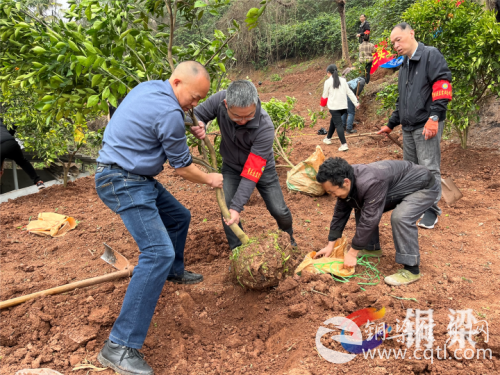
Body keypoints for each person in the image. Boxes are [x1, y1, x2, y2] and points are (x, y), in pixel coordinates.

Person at [95, 61, 223, 375]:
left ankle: (173, 272)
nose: (195, 104)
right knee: (157, 253)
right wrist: (209, 179)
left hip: (133, 176)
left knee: (179, 217)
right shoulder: (169, 112)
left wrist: (193, 127)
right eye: (194, 97)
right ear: (177, 82)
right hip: (124, 181)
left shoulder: (151, 88)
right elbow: (181, 168)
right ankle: (119, 346)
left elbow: (158, 131)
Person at [193, 80, 296, 250]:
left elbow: (252, 171)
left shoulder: (264, 126)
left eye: (248, 116)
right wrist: (199, 124)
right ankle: (239, 251)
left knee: (279, 210)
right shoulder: (219, 100)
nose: (242, 121)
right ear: (226, 105)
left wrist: (237, 206)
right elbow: (195, 114)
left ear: (255, 104)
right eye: (237, 116)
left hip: (262, 169)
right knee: (227, 212)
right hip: (231, 166)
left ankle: (288, 240)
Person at [314, 157, 439, 286]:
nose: (332, 195)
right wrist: (331, 244)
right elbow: (340, 212)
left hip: (422, 187)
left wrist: (352, 253)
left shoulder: (370, 182)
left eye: (332, 192)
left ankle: (412, 269)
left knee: (400, 217)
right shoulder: (348, 179)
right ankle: (371, 248)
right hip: (398, 187)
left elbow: (369, 219)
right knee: (361, 204)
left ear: (346, 182)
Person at [377, 22, 452, 230]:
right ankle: (416, 205)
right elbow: (403, 99)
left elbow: (443, 85)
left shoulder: (430, 55)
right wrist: (392, 124)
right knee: (411, 170)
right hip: (408, 127)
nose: (396, 45)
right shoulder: (405, 64)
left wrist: (434, 118)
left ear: (411, 34)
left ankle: (432, 211)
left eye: (398, 40)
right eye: (393, 43)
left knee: (428, 168)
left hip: (426, 124)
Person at [320, 64, 359, 151]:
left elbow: (324, 96)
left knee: (338, 124)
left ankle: (344, 144)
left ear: (328, 73)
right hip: (343, 107)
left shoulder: (328, 82)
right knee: (333, 121)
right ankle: (328, 138)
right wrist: (356, 103)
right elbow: (349, 92)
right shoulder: (343, 80)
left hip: (334, 107)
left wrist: (322, 106)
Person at [0, 117, 45, 189]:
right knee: (22, 162)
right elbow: (14, 125)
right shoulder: (1, 120)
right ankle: (38, 182)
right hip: (10, 142)